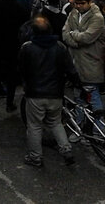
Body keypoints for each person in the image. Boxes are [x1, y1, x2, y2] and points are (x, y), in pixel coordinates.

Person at [20, 15, 80, 167]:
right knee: (56, 122)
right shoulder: (59, 47)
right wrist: (78, 83)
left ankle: (35, 157)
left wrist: (25, 85)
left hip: (35, 93)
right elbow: (70, 69)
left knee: (34, 125)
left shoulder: (27, 48)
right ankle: (66, 150)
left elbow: (22, 69)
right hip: (56, 93)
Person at [63, 0, 105, 113]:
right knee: (78, 99)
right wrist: (75, 41)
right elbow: (65, 33)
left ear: (90, 2)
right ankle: (80, 126)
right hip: (75, 63)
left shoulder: (97, 18)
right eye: (76, 3)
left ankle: (99, 129)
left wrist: (73, 34)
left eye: (82, 3)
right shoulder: (73, 13)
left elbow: (87, 38)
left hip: (91, 65)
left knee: (93, 98)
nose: (78, 6)